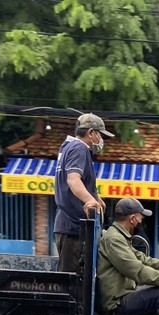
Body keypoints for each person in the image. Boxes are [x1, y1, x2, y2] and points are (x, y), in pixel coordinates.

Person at [53, 113, 113, 272]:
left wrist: (95, 197)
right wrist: (90, 200)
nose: (101, 140)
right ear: (91, 133)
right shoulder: (80, 148)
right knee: (73, 284)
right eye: (100, 135)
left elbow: (74, 181)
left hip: (67, 224)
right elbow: (73, 179)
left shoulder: (68, 147)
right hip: (73, 227)